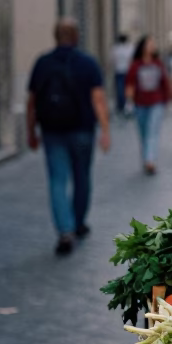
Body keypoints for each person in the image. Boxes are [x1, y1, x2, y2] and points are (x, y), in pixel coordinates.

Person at [27, 19, 111, 255]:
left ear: (56, 37)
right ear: (76, 37)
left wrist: (30, 131)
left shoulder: (42, 63)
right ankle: (78, 222)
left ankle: (65, 231)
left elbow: (32, 102)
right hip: (82, 130)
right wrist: (105, 131)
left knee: (57, 180)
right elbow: (98, 100)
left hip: (52, 131)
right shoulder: (88, 63)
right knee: (82, 177)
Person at [125, 36, 170, 175]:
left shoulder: (158, 64)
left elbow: (165, 82)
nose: (152, 46)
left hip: (156, 102)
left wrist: (167, 100)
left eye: (153, 44)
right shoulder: (136, 65)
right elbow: (130, 84)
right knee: (144, 133)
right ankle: (146, 158)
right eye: (150, 44)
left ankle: (150, 160)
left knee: (152, 132)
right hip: (140, 103)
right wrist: (129, 101)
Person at [110, 33, 134, 116]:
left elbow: (112, 60)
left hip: (119, 71)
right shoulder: (129, 48)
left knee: (120, 90)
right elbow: (132, 59)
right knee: (127, 91)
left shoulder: (115, 48)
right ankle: (126, 106)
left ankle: (122, 106)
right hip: (126, 71)